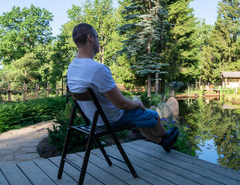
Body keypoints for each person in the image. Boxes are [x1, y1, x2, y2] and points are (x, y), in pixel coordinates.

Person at [67, 23, 179, 153]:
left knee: (139, 116)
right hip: (112, 119)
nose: (98, 41)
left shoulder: (72, 68)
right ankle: (166, 138)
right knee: (153, 116)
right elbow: (121, 104)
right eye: (97, 37)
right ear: (90, 38)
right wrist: (136, 103)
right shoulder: (97, 69)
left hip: (94, 121)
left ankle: (162, 142)